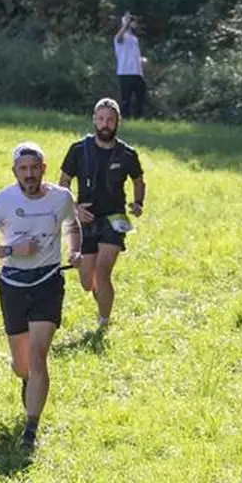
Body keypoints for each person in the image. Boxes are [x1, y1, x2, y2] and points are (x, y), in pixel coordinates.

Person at [0, 142, 81, 449]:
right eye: (24, 169)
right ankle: (26, 381)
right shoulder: (2, 201)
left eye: (35, 168)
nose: (30, 174)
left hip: (48, 281)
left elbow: (73, 225)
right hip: (12, 285)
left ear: (44, 168)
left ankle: (30, 430)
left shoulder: (62, 198)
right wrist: (11, 250)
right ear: (15, 172)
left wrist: (73, 250)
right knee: (22, 364)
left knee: (38, 356)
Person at [59, 98, 146, 332]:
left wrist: (138, 203)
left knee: (103, 270)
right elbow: (64, 182)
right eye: (101, 119)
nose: (105, 124)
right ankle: (101, 298)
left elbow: (139, 181)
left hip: (114, 218)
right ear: (93, 121)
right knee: (88, 282)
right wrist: (74, 208)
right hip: (84, 218)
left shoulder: (127, 154)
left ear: (118, 122)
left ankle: (103, 324)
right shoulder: (78, 150)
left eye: (110, 119)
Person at [114, 11, 147, 119]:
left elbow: (132, 54)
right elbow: (119, 38)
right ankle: (124, 117)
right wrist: (126, 24)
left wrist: (141, 60)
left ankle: (138, 117)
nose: (135, 24)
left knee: (141, 93)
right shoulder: (120, 37)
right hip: (125, 72)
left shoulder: (134, 38)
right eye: (133, 22)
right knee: (125, 98)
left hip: (137, 72)